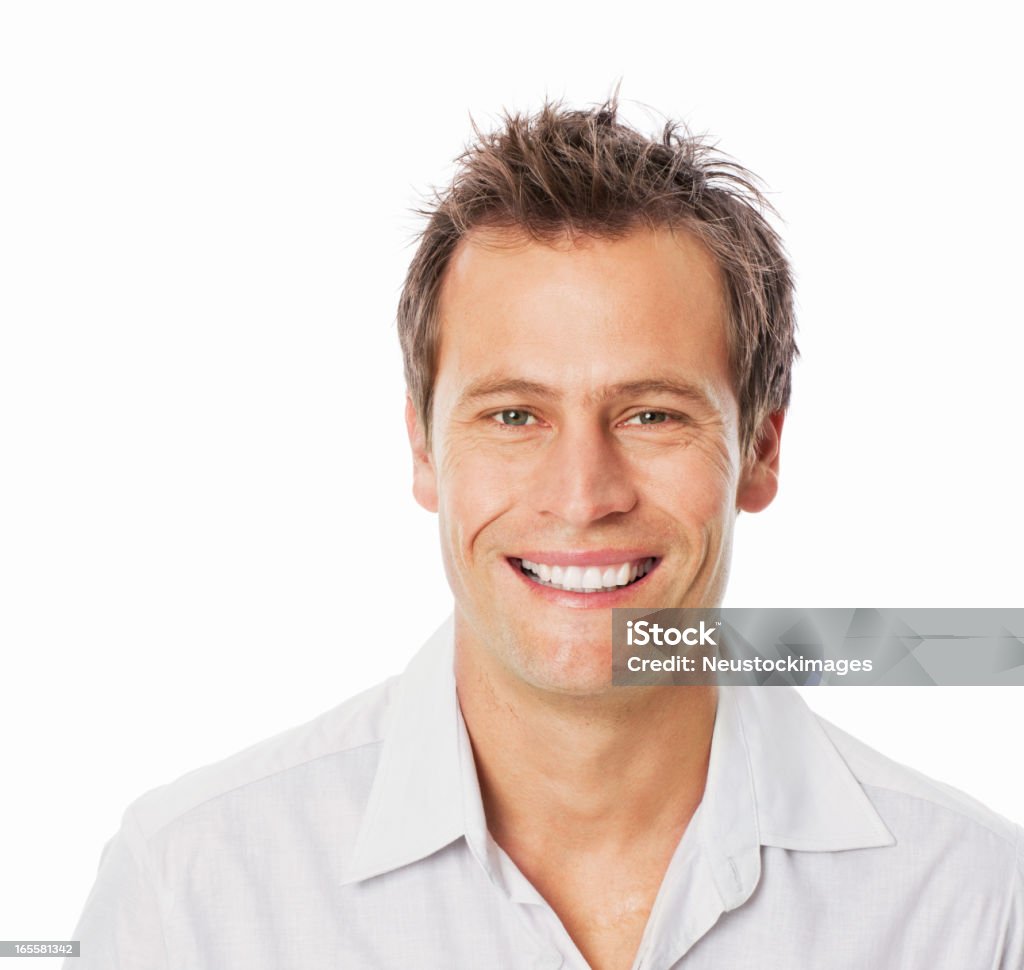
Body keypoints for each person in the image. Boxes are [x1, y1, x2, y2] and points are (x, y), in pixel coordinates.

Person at [66, 97, 1023, 970]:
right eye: (514, 416)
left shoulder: (973, 905)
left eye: (651, 414)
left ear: (762, 449)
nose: (582, 495)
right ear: (424, 450)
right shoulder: (192, 896)